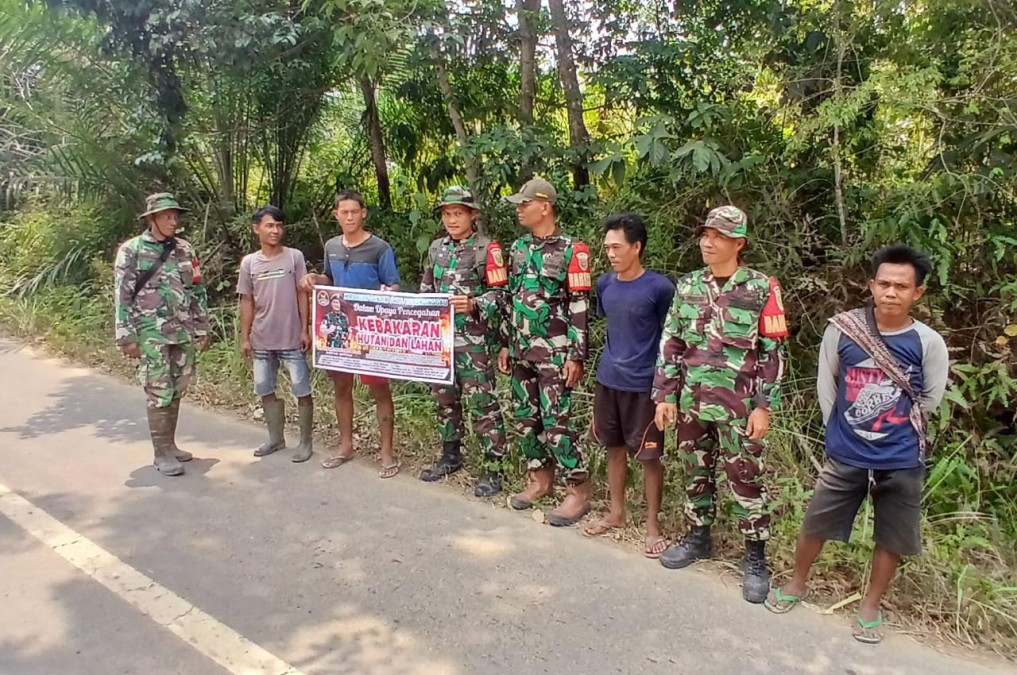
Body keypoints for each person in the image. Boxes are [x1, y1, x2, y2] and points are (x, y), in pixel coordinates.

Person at [766, 244, 949, 645]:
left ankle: (870, 605)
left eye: (902, 286)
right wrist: (841, 432)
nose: (890, 292)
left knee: (892, 536)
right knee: (815, 522)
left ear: (917, 293)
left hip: (901, 457)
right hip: (846, 452)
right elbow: (826, 386)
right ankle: (797, 583)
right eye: (883, 283)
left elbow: (930, 398)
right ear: (870, 285)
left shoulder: (928, 342)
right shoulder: (843, 329)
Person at [652, 205, 787, 603]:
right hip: (693, 399)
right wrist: (664, 394)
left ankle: (755, 557)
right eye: (705, 234)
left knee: (745, 478)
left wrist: (764, 405)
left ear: (739, 243)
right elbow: (672, 342)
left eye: (719, 236)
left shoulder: (762, 288)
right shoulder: (689, 285)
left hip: (740, 406)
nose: (708, 242)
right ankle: (698, 538)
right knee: (694, 470)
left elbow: (773, 351)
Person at [499, 178, 593, 526]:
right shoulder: (518, 248)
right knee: (526, 420)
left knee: (557, 424)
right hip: (522, 350)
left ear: (545, 206)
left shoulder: (573, 250)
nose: (519, 209)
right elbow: (511, 298)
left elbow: (580, 304)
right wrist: (508, 343)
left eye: (525, 204)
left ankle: (578, 489)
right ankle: (539, 479)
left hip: (555, 352)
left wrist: (576, 355)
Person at [582, 212, 675, 558]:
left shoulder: (659, 288)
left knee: (650, 455)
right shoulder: (605, 284)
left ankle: (652, 524)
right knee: (613, 447)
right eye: (607, 247)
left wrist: (666, 388)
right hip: (609, 380)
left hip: (644, 385)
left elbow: (671, 338)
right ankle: (616, 512)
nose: (611, 253)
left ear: (637, 247)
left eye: (617, 247)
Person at [299, 190, 401, 478]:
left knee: (380, 389)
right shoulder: (332, 246)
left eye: (354, 211)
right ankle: (345, 445)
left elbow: (393, 285)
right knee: (341, 387)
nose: (349, 217)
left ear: (363, 213)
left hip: (370, 332)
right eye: (343, 212)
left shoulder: (380, 248)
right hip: (340, 333)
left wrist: (388, 292)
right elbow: (329, 279)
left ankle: (386, 451)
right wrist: (314, 279)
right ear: (336, 215)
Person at [418, 186, 509, 496]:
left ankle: (493, 468)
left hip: (475, 343)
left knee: (483, 405)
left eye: (458, 213)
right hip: (441, 341)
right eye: (446, 214)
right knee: (444, 400)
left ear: (473, 215)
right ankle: (450, 456)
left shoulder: (487, 249)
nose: (451, 220)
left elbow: (502, 295)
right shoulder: (436, 249)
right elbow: (426, 290)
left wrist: (474, 303)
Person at [114, 192, 210, 476]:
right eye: (167, 216)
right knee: (158, 389)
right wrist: (125, 335)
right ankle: (161, 453)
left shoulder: (185, 249)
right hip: (150, 333)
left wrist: (203, 326)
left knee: (178, 386)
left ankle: (171, 444)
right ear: (152, 219)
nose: (173, 221)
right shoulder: (131, 250)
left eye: (175, 215)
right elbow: (122, 295)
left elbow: (196, 290)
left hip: (182, 329)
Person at [237, 205, 314, 463]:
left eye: (279, 226)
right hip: (261, 338)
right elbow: (247, 301)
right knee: (263, 386)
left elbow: (303, 293)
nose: (275, 231)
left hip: (291, 337)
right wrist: (244, 336)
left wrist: (305, 329)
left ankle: (305, 442)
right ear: (256, 228)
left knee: (301, 388)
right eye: (270, 225)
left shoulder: (294, 257)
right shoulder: (249, 263)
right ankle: (275, 437)